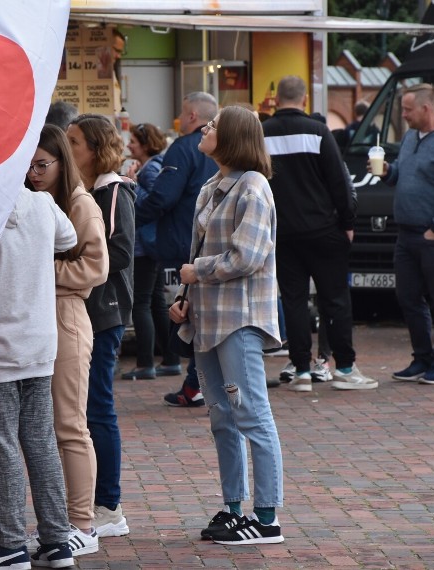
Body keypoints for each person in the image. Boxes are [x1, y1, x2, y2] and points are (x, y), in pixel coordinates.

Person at [170, 105, 284, 545]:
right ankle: (234, 507)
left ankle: (267, 517)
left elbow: (247, 257)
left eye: (214, 125)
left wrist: (197, 273)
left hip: (240, 318)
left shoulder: (254, 188)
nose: (205, 128)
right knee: (222, 417)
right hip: (208, 319)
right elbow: (200, 252)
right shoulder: (212, 185)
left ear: (233, 136)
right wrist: (184, 300)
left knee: (252, 415)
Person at [0, 186, 77, 570]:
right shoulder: (43, 204)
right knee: (40, 442)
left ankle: (10, 543)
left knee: (0, 446)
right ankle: (56, 541)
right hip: (39, 342)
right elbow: (69, 237)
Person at [25, 124, 109, 558]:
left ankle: (83, 523)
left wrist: (38, 271)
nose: (35, 172)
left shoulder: (80, 203)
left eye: (43, 164)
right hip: (33, 317)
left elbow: (96, 268)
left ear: (62, 162)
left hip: (65, 316)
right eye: (29, 164)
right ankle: (59, 522)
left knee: (70, 426)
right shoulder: (34, 200)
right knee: (41, 429)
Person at [263, 75, 377, 392]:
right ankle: (343, 367)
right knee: (335, 300)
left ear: (275, 100)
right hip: (323, 230)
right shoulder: (318, 131)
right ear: (304, 101)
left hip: (283, 234)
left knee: (294, 301)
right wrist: (348, 223)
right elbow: (339, 183)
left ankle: (300, 371)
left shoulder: (261, 134)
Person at [66, 114, 136, 537]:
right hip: (91, 311)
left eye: (73, 142)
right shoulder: (90, 191)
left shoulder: (112, 191)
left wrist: (71, 259)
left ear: (94, 149)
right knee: (86, 408)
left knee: (97, 407)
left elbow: (120, 252)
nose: (67, 150)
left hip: (104, 312)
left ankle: (109, 505)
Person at [378, 83, 434, 385]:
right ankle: (422, 358)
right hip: (407, 233)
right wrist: (387, 172)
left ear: (426, 108)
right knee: (408, 296)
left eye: (407, 109)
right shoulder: (410, 137)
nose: (403, 115)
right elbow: (403, 174)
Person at [136, 91, 219, 407]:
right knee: (194, 312)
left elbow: (163, 198)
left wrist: (132, 215)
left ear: (193, 117)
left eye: (183, 113)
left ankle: (195, 383)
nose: (180, 119)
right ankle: (195, 381)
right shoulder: (222, 155)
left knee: (192, 313)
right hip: (207, 245)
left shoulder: (185, 149)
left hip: (187, 244)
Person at [121, 123, 182, 380]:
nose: (129, 145)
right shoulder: (152, 166)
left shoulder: (151, 169)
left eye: (133, 141)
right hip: (150, 244)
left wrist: (133, 184)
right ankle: (171, 359)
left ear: (145, 144)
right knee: (156, 302)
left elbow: (156, 200)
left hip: (145, 245)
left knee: (141, 303)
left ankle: (145, 363)